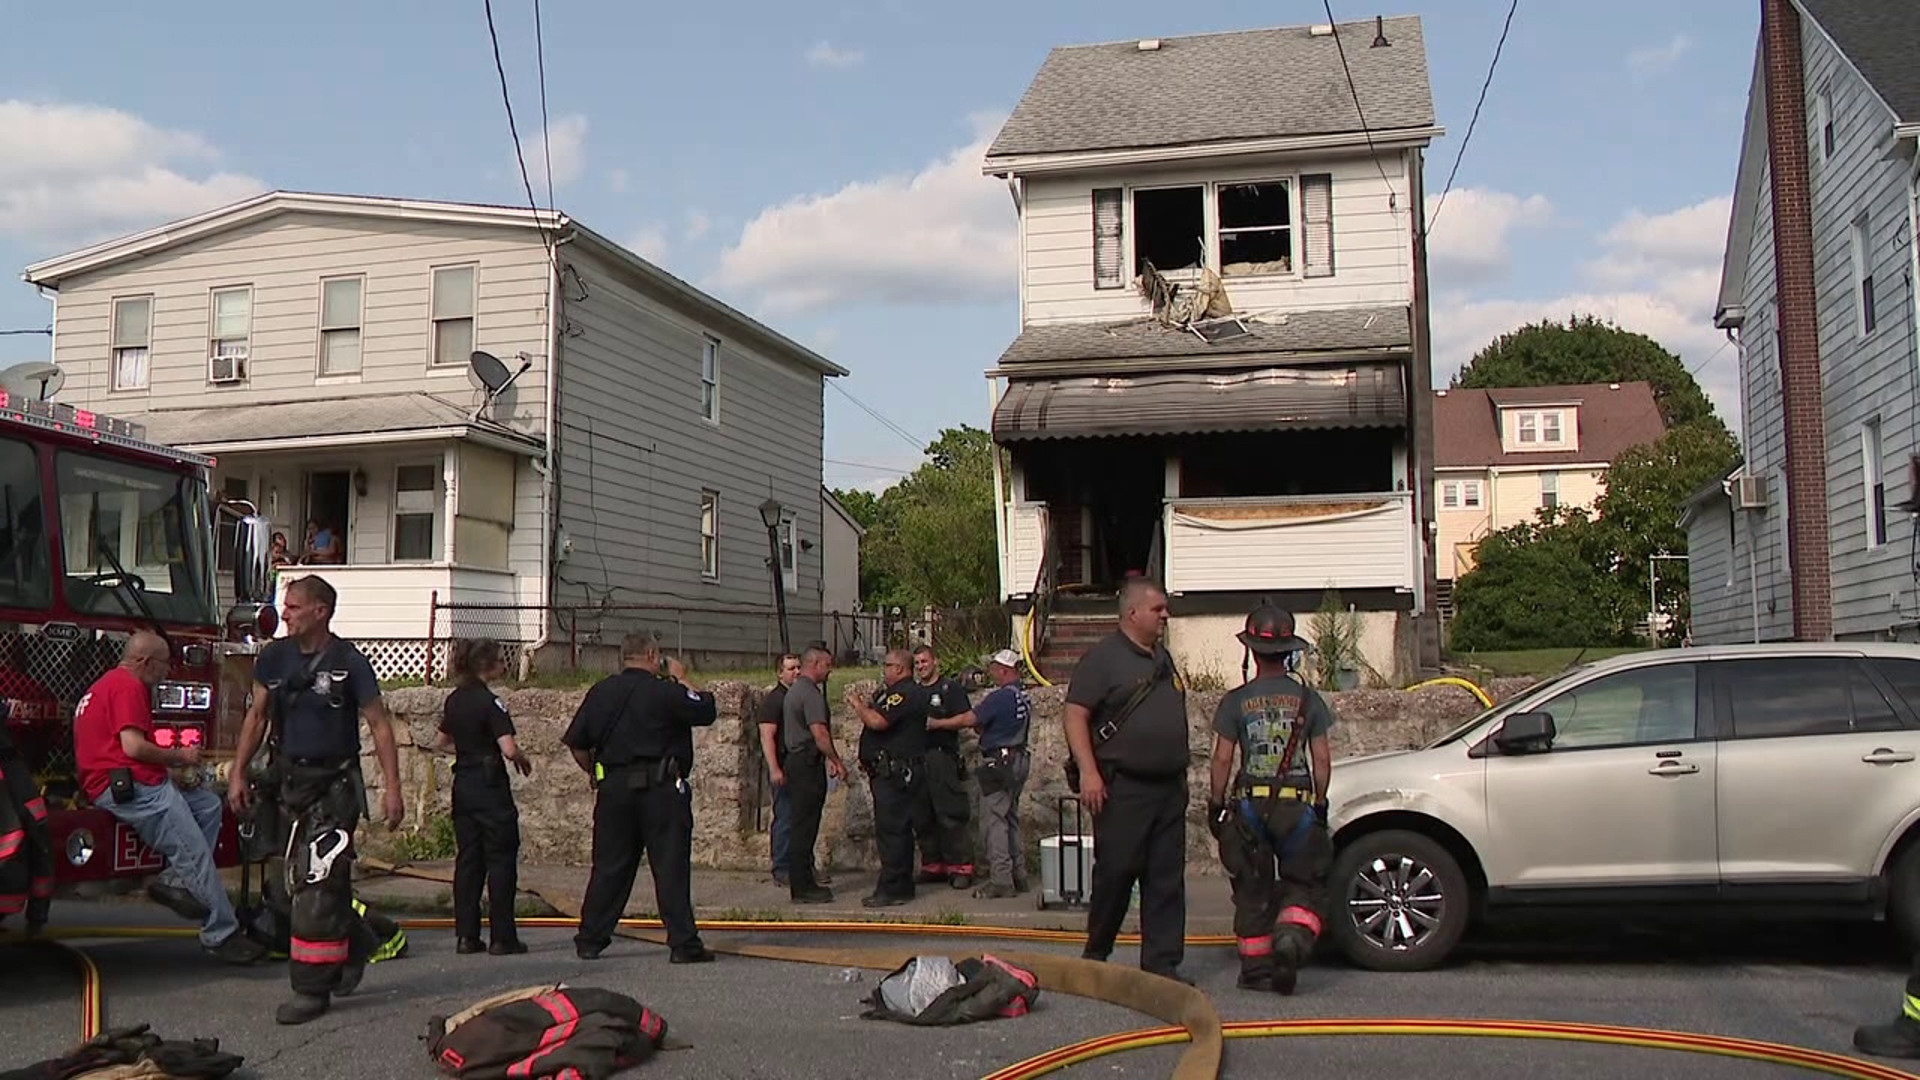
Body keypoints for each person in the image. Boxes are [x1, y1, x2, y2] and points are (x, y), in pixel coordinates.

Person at [227, 575, 406, 1025]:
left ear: (320, 611)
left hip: (334, 789)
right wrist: (238, 772)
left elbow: (380, 726)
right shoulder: (275, 658)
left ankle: (310, 990)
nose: (283, 613)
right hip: (287, 782)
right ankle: (357, 946)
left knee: (317, 884)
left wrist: (393, 790)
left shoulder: (350, 662)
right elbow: (257, 717)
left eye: (292, 606)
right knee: (291, 887)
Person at [75, 633, 263, 963]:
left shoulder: (105, 684)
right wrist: (178, 757)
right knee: (192, 849)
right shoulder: (128, 687)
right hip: (129, 788)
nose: (168, 672)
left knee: (206, 806)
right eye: (164, 664)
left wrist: (169, 774)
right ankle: (221, 932)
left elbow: (119, 750)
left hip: (120, 781)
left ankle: (174, 882)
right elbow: (133, 746)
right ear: (144, 662)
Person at [1063, 577, 1191, 983]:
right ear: (1133, 613)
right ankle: (1097, 951)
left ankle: (1162, 963)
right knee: (1117, 871)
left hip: (1168, 787)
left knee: (1165, 878)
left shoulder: (1162, 659)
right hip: (1124, 787)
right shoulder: (1103, 659)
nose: (1165, 616)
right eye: (1158, 610)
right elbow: (1075, 714)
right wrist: (1089, 772)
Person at [563, 631, 717, 964]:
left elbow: (577, 742)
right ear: (651, 654)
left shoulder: (601, 692)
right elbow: (705, 709)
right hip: (660, 790)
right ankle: (683, 944)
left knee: (609, 867)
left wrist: (594, 773)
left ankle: (590, 938)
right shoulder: (666, 693)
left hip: (614, 790)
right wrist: (681, 676)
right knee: (670, 868)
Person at [1207, 603, 1335, 995]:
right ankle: (1291, 939)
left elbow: (1223, 758)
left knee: (1251, 889)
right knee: (1306, 884)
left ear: (1250, 651)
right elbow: (1323, 760)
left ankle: (1258, 968)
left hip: (1248, 806)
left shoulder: (1234, 701)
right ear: (1289, 651)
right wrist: (1320, 802)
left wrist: (1216, 805)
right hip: (1296, 806)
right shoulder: (1309, 700)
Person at [434, 638, 532, 956]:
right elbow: (508, 747)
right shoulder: (491, 703)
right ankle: (503, 936)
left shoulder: (454, 700)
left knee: (468, 861)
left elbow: (441, 741)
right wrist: (521, 758)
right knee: (501, 859)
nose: (504, 666)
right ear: (487, 666)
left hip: (464, 782)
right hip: (490, 784)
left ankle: (466, 935)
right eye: (500, 661)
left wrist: (466, 750)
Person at [933, 649, 1033, 899]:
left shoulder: (1000, 698)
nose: (990, 672)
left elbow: (970, 719)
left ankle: (1001, 879)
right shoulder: (1022, 696)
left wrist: (936, 724)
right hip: (1019, 758)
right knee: (1010, 818)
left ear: (1004, 670)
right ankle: (1018, 874)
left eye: (994, 668)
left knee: (993, 820)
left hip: (999, 762)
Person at [845, 649, 929, 908]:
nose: (885, 669)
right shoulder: (896, 693)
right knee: (898, 830)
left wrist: (857, 704)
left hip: (894, 774)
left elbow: (877, 721)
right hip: (894, 772)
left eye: (888, 665)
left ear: (901, 669)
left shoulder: (903, 693)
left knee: (892, 831)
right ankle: (901, 885)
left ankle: (892, 887)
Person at [781, 645, 844, 904]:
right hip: (806, 763)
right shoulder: (810, 694)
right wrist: (835, 759)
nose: (829, 671)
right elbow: (819, 733)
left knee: (800, 824)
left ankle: (802, 881)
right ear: (816, 664)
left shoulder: (795, 691)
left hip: (796, 761)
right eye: (827, 665)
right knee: (805, 827)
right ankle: (803, 886)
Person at [911, 644, 976, 890]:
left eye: (924, 662)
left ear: (935, 662)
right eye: (917, 663)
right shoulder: (914, 692)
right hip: (918, 758)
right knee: (922, 815)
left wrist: (938, 724)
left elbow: (967, 718)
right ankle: (933, 865)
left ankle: (961, 867)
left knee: (950, 813)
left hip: (942, 757)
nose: (921, 667)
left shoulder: (951, 689)